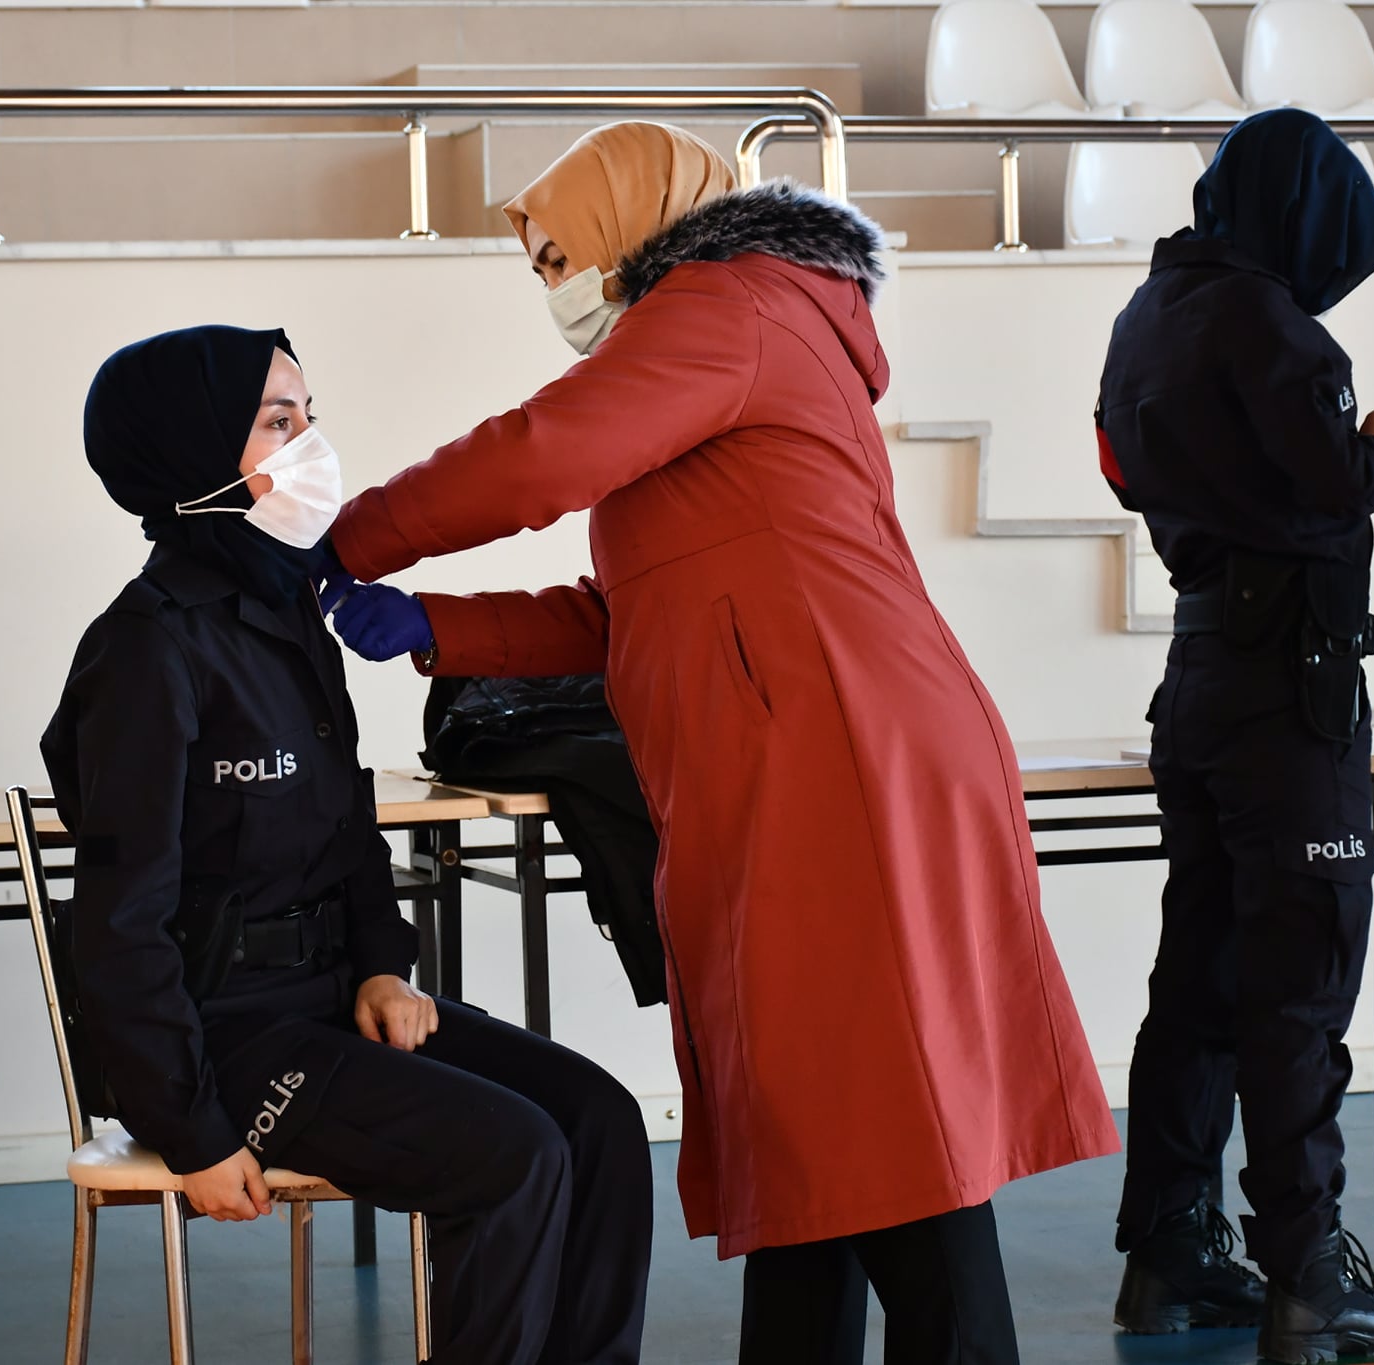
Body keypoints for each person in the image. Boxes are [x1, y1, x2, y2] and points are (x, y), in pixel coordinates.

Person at [322, 122, 1119, 1365]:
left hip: (841, 756)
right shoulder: (724, 331)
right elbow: (630, 613)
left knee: (884, 1128)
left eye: (554, 257)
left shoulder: (722, 306)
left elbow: (542, 456)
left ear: (626, 224)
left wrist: (349, 538)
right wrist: (436, 625)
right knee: (813, 1131)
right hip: (816, 748)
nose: (551, 288)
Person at [39, 324, 652, 1365]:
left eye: (307, 419)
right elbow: (117, 922)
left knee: (597, 1120)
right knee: (510, 1157)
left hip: (326, 1005)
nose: (309, 445)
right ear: (189, 455)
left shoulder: (287, 621)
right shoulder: (146, 651)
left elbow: (346, 832)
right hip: (223, 1041)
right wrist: (188, 1127)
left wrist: (380, 965)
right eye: (277, 422)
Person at [1094, 110, 1374, 1361]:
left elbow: (1127, 474)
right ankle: (1309, 1273)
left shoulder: (1150, 313)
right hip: (1288, 696)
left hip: (1194, 679)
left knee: (1199, 978)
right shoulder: (1269, 325)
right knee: (1296, 988)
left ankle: (1170, 1255)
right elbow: (1326, 486)